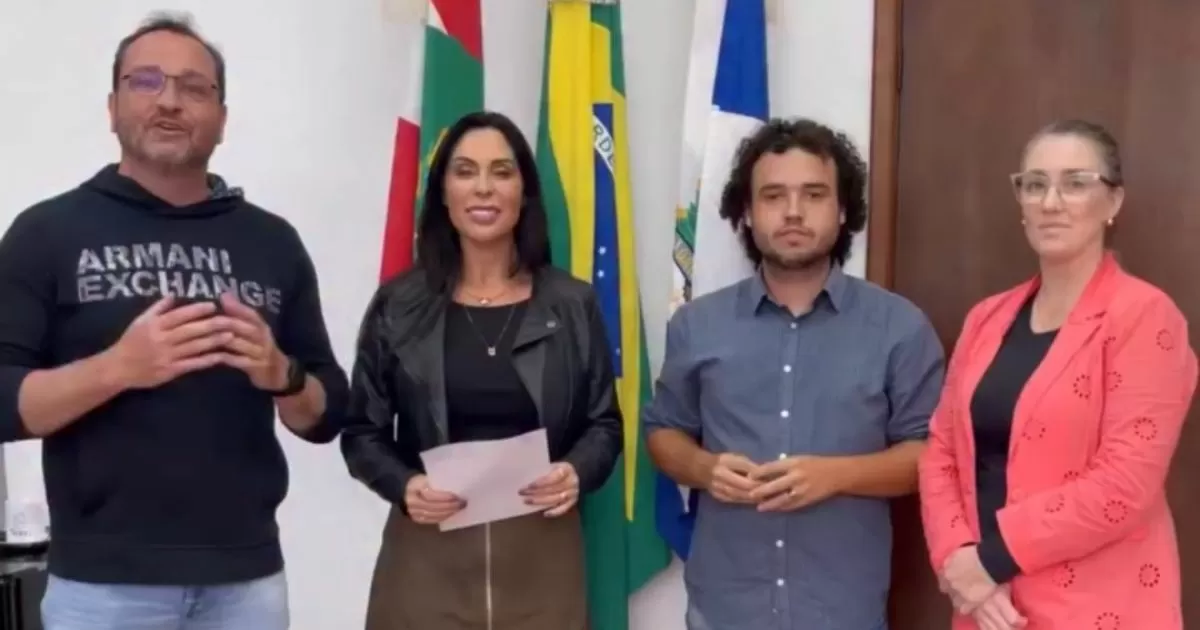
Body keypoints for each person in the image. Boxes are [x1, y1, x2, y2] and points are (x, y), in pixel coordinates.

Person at [0, 13, 348, 629]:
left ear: (221, 118)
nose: (168, 101)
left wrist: (283, 375)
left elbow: (327, 414)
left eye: (193, 88)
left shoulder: (273, 242)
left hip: (246, 585)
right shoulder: (46, 233)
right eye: (146, 81)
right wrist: (118, 368)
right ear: (112, 107)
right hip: (103, 589)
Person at [643, 118, 946, 630]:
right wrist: (703, 468)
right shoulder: (698, 324)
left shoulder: (900, 327)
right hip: (725, 607)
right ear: (747, 212)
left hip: (842, 609)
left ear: (843, 210)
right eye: (773, 196)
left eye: (814, 194)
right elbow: (663, 432)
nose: (793, 211)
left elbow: (932, 456)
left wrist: (836, 476)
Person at [339, 110, 622, 630]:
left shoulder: (572, 303)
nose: (484, 188)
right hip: (426, 558)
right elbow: (361, 432)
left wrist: (576, 470)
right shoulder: (398, 305)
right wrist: (404, 485)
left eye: (502, 172)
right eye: (465, 171)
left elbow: (605, 424)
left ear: (524, 193)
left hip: (542, 559)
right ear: (443, 194)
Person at [919, 119, 1197, 630]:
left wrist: (991, 560)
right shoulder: (986, 319)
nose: (1051, 202)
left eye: (1075, 183)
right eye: (1034, 184)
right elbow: (941, 450)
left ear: (1113, 201)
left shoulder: (1145, 316)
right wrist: (959, 559)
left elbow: (1124, 484)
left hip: (1101, 606)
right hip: (986, 605)